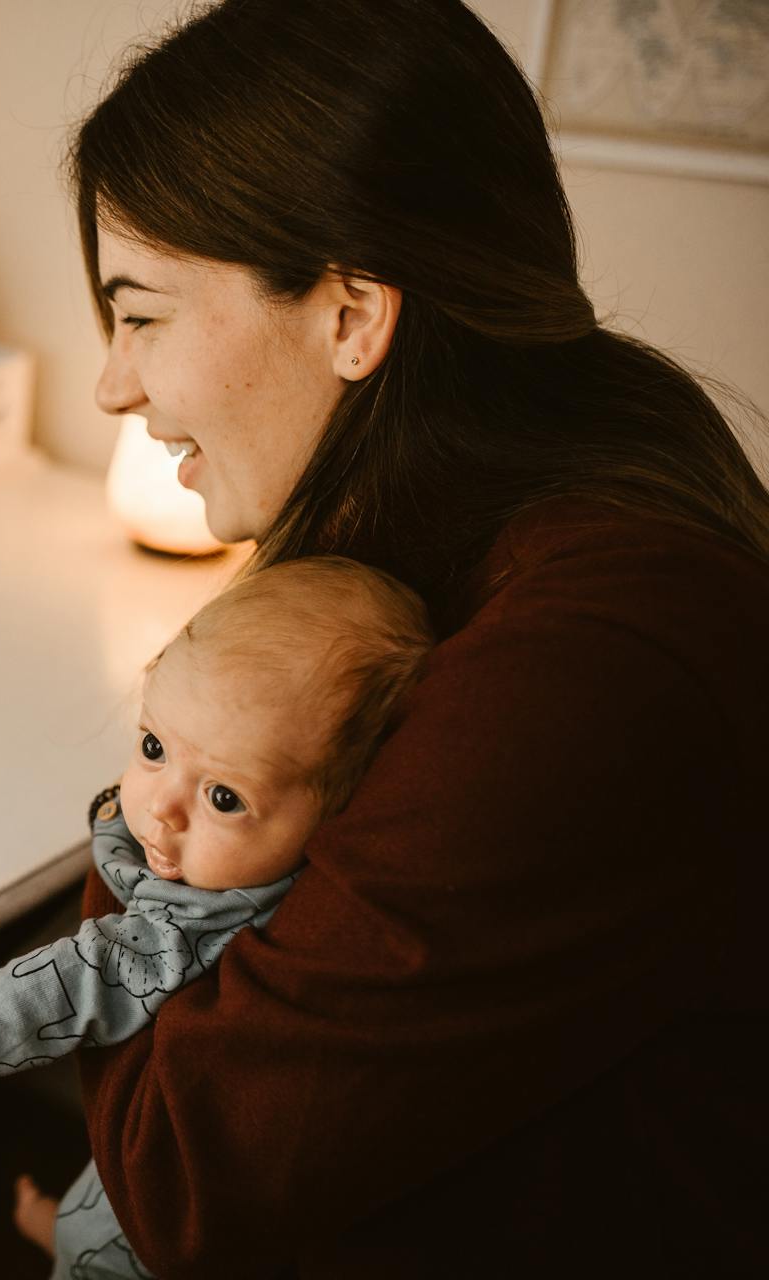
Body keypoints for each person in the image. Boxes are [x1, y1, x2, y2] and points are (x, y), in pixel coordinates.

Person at [43, 0, 769, 1273]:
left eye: (143, 313)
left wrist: (162, 780)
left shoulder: (586, 659)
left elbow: (178, 1172)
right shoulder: (487, 529)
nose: (114, 381)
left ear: (352, 314)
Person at [0, 556, 433, 1279]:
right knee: (98, 1194)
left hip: (154, 1248)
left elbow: (64, 989)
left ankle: (70, 1252)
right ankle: (61, 1229)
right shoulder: (249, 868)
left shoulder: (187, 927)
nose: (161, 806)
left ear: (338, 814)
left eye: (224, 798)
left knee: (105, 1240)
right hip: (152, 1170)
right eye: (154, 747)